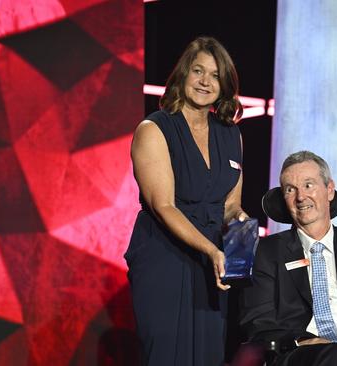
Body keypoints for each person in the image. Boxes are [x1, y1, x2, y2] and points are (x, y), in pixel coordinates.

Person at [124, 36, 248, 366]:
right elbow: (163, 206)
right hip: (164, 256)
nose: (205, 81)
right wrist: (210, 251)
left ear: (225, 85)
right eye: (198, 71)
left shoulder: (231, 133)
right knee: (165, 354)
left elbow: (231, 205)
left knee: (208, 355)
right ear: (183, 74)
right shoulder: (154, 129)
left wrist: (241, 235)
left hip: (214, 264)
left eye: (215, 75)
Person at [240, 151, 337, 366]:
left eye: (309, 185)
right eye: (290, 190)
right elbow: (258, 321)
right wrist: (301, 340)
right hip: (299, 348)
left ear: (330, 190)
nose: (300, 197)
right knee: (335, 357)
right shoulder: (267, 251)